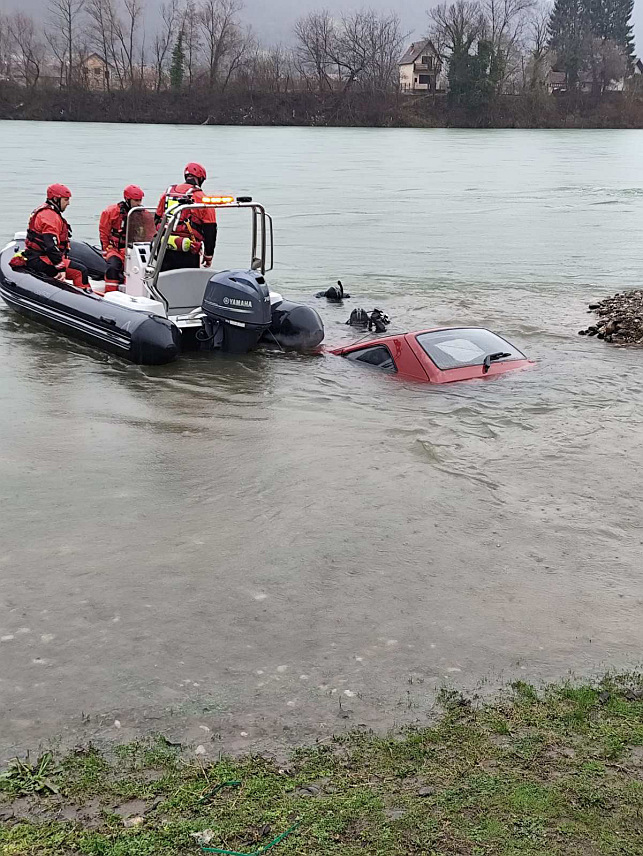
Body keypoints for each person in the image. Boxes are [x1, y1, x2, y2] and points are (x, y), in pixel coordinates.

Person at [11, 184, 90, 290]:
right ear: (56, 199)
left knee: (78, 263)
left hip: (35, 255)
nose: (68, 203)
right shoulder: (50, 217)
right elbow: (51, 246)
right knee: (80, 270)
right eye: (66, 200)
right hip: (41, 259)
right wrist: (60, 267)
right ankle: (83, 299)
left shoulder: (44, 211)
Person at [155, 163, 217, 272]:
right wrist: (208, 256)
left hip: (165, 246)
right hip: (188, 250)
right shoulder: (202, 198)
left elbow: (157, 218)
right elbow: (210, 230)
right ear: (201, 179)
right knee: (187, 281)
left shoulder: (167, 194)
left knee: (164, 280)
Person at [99, 185, 145, 292]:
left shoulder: (143, 214)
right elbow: (104, 232)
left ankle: (131, 292)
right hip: (115, 250)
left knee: (136, 271)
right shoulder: (111, 212)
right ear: (128, 199)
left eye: (140, 200)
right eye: (136, 200)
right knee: (113, 267)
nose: (138, 203)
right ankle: (110, 293)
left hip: (132, 250)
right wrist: (105, 249)